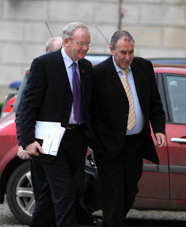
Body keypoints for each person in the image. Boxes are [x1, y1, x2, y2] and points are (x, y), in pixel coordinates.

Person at [19, 22, 93, 227]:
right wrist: (27, 141)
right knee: (64, 193)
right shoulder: (45, 64)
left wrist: (90, 141)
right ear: (67, 42)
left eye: (88, 44)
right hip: (50, 140)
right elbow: (28, 105)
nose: (85, 48)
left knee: (67, 190)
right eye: (81, 44)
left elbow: (88, 107)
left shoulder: (85, 66)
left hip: (77, 138)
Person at [91, 30, 166, 227]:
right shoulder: (98, 74)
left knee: (129, 191)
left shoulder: (144, 67)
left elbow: (155, 103)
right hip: (109, 147)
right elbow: (91, 112)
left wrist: (158, 128)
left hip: (135, 144)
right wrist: (93, 143)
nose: (127, 57)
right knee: (114, 193)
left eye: (131, 52)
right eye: (123, 52)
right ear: (111, 50)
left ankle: (110, 222)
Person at [16, 36, 63, 201]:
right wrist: (23, 142)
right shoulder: (38, 71)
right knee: (43, 193)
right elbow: (23, 111)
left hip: (65, 146)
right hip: (41, 145)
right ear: (47, 54)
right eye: (58, 52)